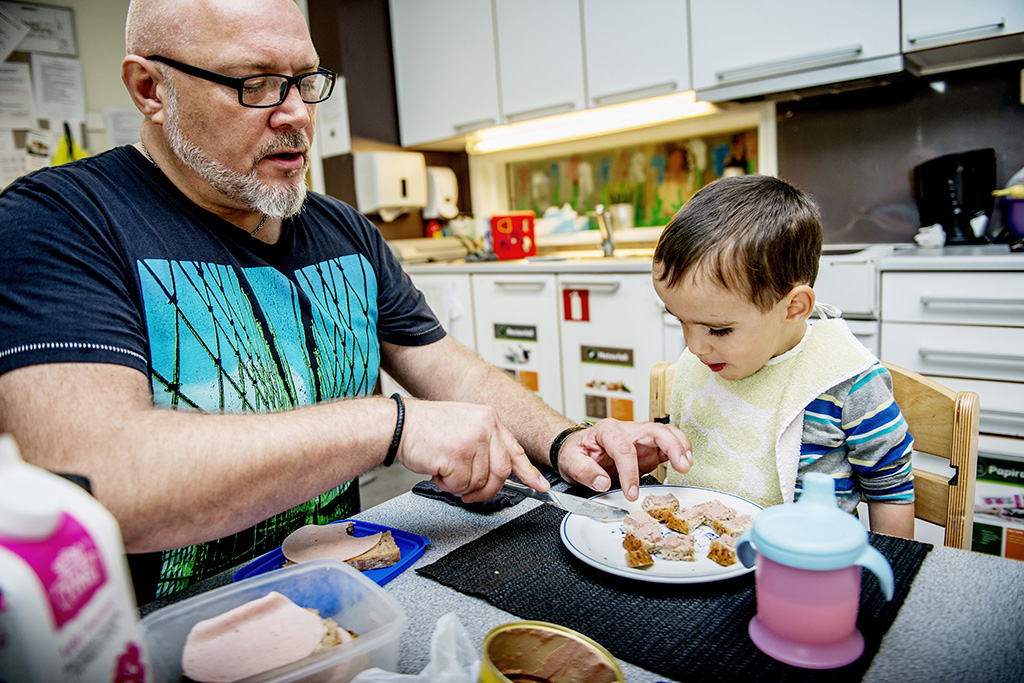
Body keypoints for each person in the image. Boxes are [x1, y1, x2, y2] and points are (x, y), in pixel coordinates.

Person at [0, 0, 692, 602]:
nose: (297, 114)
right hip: (165, 630)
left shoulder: (341, 229)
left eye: (305, 80)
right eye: (258, 84)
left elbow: (444, 365)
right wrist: (386, 424)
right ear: (150, 87)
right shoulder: (57, 223)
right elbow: (99, 479)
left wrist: (563, 438)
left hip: (348, 593)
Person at [651, 174, 915, 537]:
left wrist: (891, 575)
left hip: (802, 574)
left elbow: (891, 491)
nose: (694, 348)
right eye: (680, 321)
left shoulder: (846, 383)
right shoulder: (703, 361)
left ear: (794, 308)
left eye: (719, 330)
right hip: (699, 563)